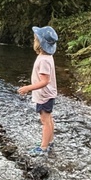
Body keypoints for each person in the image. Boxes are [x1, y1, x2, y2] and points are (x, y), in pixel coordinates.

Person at [17, 25, 57, 156]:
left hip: (44, 95)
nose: (34, 41)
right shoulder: (47, 56)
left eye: (35, 39)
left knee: (45, 121)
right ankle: (50, 141)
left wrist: (27, 88)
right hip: (49, 94)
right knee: (49, 118)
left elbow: (45, 81)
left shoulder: (44, 60)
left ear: (40, 43)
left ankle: (43, 147)